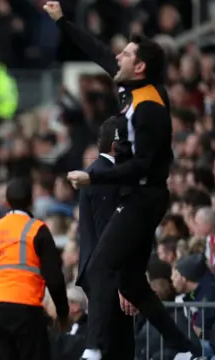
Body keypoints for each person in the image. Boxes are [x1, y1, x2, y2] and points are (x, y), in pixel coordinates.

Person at [43, 2, 205, 359]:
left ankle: (94, 349)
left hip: (145, 198)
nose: (118, 56)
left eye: (127, 54)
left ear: (141, 66)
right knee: (132, 283)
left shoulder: (149, 107)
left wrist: (94, 175)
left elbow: (142, 166)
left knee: (100, 265)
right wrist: (62, 21)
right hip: (137, 195)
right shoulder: (129, 87)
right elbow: (98, 50)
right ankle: (185, 349)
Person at [0, 178, 69, 360]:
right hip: (27, 308)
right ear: (31, 201)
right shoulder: (38, 229)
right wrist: (63, 314)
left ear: (6, 202)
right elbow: (55, 279)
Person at [75, 116, 134, 360]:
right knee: (113, 349)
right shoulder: (104, 176)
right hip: (108, 277)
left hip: (104, 275)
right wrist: (122, 281)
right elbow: (108, 235)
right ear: (115, 145)